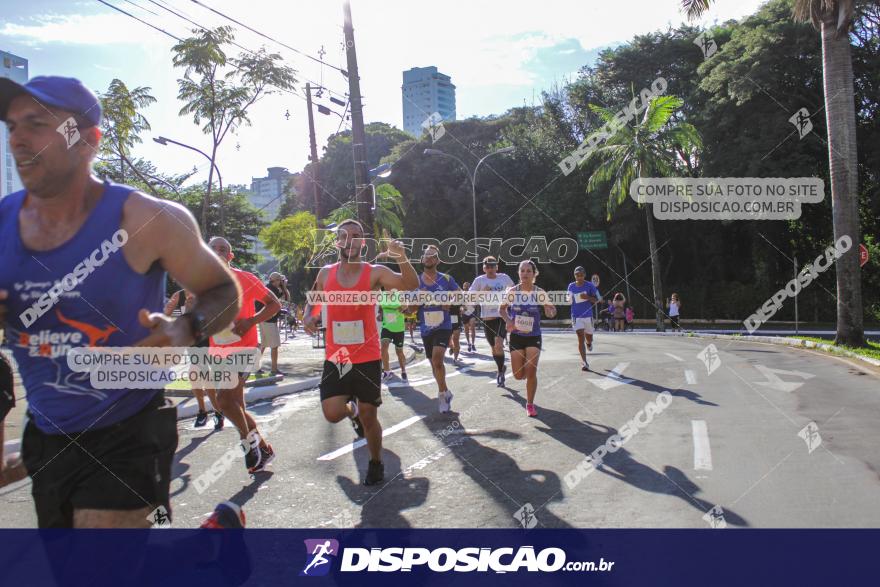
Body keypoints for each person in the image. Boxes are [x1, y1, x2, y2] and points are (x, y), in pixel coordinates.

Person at [0, 75, 241, 528]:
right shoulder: (2, 223)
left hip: (128, 426)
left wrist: (184, 329)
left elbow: (223, 290)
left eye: (35, 122)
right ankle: (211, 549)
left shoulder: (148, 218)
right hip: (48, 432)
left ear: (86, 139)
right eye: (11, 124)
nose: (16, 137)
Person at [303, 219, 417, 486]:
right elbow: (314, 302)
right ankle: (350, 410)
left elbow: (409, 284)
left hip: (367, 356)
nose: (350, 239)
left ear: (362, 242)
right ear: (338, 242)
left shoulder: (374, 272)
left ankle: (376, 462)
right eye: (344, 235)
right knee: (332, 413)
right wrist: (310, 316)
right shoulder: (325, 273)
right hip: (338, 356)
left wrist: (401, 257)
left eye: (356, 235)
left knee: (370, 415)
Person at [208, 237, 282, 474]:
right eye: (213, 249)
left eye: (223, 250)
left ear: (230, 257)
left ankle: (248, 444)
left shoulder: (246, 279)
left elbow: (274, 304)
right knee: (235, 404)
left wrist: (251, 321)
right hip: (217, 351)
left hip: (244, 349)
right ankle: (264, 448)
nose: (218, 252)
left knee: (224, 401)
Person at [500, 261, 556, 417]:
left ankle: (530, 404)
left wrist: (550, 310)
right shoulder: (512, 292)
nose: (525, 273)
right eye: (522, 271)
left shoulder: (539, 292)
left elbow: (552, 309)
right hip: (517, 336)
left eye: (528, 271)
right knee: (518, 375)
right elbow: (502, 309)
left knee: (531, 372)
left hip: (534, 336)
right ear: (519, 273)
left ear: (534, 274)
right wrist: (509, 321)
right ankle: (523, 372)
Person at [409, 245, 460, 413]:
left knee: (438, 360)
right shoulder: (416, 281)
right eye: (425, 256)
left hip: (443, 326)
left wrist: (449, 301)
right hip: (426, 328)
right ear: (422, 260)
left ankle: (441, 395)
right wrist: (417, 300)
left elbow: (460, 294)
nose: (428, 259)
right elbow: (411, 309)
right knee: (434, 365)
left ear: (437, 260)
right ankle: (445, 391)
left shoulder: (446, 279)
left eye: (432, 256)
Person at [164, 288, 218, 427]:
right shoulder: (179, 296)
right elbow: (166, 317)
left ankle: (210, 411)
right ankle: (212, 411)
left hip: (207, 341)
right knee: (198, 375)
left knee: (198, 374)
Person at [469, 256, 514, 386]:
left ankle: (500, 373)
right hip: (487, 318)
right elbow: (471, 298)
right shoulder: (479, 280)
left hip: (501, 316)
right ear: (484, 268)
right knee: (494, 349)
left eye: (492, 266)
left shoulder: (504, 278)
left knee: (499, 344)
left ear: (497, 267)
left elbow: (515, 292)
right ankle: (501, 367)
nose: (490, 269)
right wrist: (482, 292)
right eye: (487, 266)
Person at [256, 272, 290, 376]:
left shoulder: (268, 287)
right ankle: (274, 369)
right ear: (275, 281)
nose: (280, 282)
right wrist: (284, 286)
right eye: (279, 280)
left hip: (264, 319)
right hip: (269, 320)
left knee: (264, 345)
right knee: (274, 346)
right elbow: (287, 298)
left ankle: (255, 367)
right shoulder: (273, 289)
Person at [567, 266, 600, 371]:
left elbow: (599, 299)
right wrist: (569, 299)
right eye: (577, 275)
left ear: (584, 275)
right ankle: (584, 362)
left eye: (581, 275)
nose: (579, 277)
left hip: (588, 316)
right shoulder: (571, 286)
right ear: (574, 275)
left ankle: (589, 343)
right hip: (576, 316)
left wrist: (588, 298)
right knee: (580, 338)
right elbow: (568, 299)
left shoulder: (589, 285)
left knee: (588, 337)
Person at [378, 288, 408, 381]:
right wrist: (380, 314)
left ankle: (403, 370)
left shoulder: (400, 294)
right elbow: (381, 307)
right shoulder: (382, 295)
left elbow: (405, 307)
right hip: (386, 327)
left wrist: (402, 306)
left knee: (399, 352)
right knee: (383, 347)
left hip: (398, 328)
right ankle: (387, 372)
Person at [460, 281, 477, 353]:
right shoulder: (461, 294)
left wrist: (473, 306)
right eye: (465, 286)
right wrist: (462, 309)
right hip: (464, 314)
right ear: (463, 287)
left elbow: (476, 302)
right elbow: (459, 304)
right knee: (466, 329)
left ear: (469, 287)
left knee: (472, 328)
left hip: (471, 312)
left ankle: (473, 343)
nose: (466, 287)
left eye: (467, 286)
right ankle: (468, 343)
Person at [447, 293, 462, 363]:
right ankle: (452, 348)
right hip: (447, 324)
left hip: (456, 323)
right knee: (449, 341)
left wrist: (462, 309)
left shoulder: (459, 300)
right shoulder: (444, 299)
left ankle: (455, 359)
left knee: (456, 340)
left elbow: (463, 307)